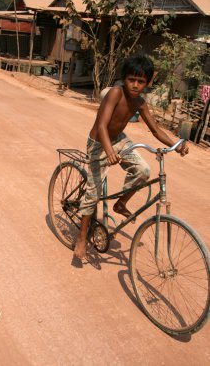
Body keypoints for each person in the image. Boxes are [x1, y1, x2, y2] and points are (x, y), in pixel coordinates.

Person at [74, 54, 189, 259]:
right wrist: (108, 150)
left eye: (141, 81)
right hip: (99, 143)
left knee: (143, 170)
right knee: (93, 192)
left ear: (147, 82)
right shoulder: (115, 94)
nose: (135, 85)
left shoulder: (141, 103)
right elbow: (101, 125)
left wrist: (177, 145)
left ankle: (120, 204)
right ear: (124, 78)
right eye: (131, 80)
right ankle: (82, 238)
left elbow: (156, 130)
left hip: (118, 139)